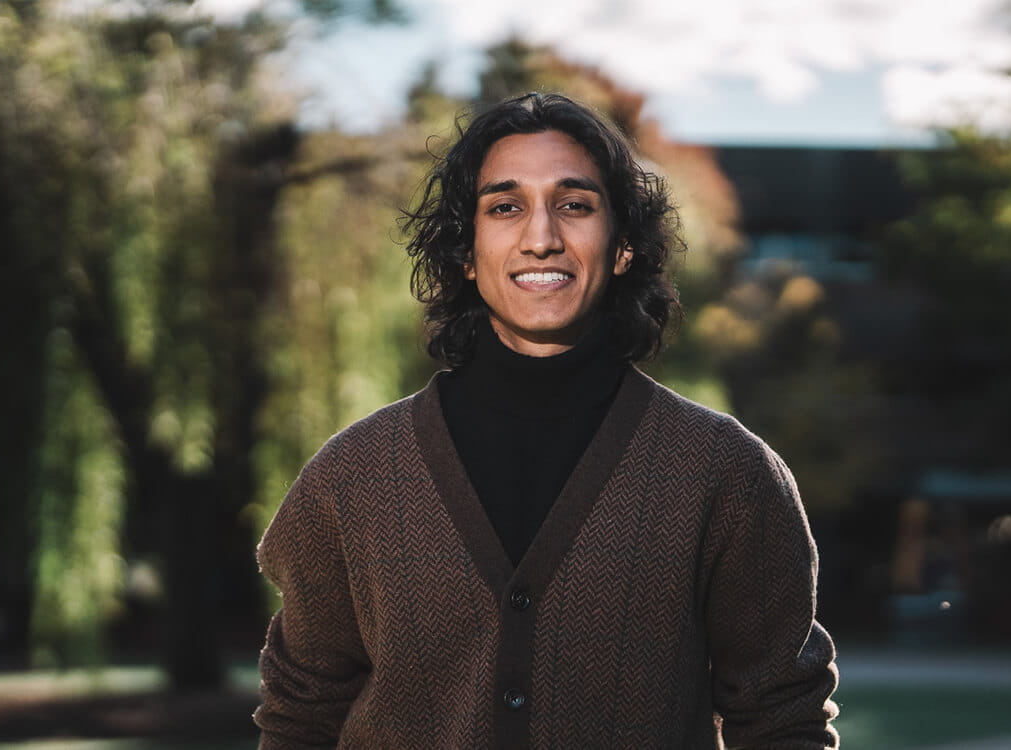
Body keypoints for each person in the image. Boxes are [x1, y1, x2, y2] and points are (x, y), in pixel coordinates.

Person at [253, 92, 839, 749]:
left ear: (621, 247)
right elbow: (300, 719)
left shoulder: (725, 474)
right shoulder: (350, 480)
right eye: (505, 206)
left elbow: (783, 722)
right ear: (465, 254)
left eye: (575, 205)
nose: (541, 238)